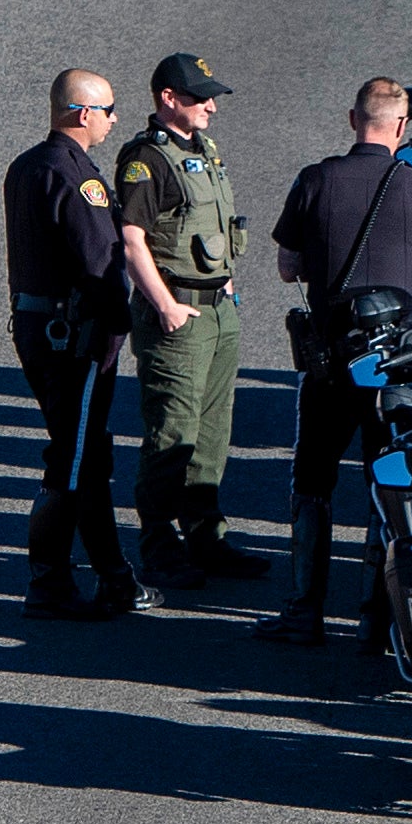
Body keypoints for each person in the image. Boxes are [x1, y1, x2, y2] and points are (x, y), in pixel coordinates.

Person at [262, 77, 412, 650]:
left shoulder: (316, 179)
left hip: (331, 361)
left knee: (313, 480)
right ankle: (378, 617)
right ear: (402, 127)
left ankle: (305, 610)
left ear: (353, 120)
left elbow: (286, 266)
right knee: (390, 482)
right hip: (396, 366)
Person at [112, 52, 265, 591]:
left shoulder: (203, 149)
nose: (211, 107)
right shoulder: (146, 160)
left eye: (212, 96)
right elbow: (132, 241)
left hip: (217, 310)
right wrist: (165, 305)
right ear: (167, 100)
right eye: (199, 97)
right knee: (172, 430)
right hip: (177, 315)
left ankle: (206, 535)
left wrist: (224, 286)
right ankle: (159, 545)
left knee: (212, 432)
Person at [3, 69, 138, 621]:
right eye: (108, 109)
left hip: (38, 329)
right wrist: (123, 323)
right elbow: (99, 265)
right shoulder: (78, 177)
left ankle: (111, 577)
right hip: (73, 339)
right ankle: (52, 580)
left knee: (81, 452)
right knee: (75, 458)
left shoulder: (29, 164)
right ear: (83, 114)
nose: (113, 119)